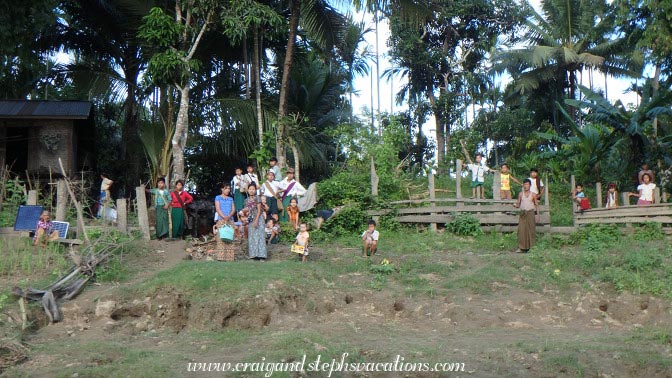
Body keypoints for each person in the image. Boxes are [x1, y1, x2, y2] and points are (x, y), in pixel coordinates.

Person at [513, 179, 540, 253]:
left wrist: (538, 215)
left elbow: (537, 205)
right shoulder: (521, 194)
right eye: (524, 184)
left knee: (531, 230)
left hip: (530, 213)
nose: (526, 186)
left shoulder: (533, 194)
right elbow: (518, 204)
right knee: (521, 230)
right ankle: (521, 247)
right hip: (523, 213)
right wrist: (515, 205)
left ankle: (532, 248)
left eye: (527, 184)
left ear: (530, 185)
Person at [245, 183, 267, 259]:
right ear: (247, 190)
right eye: (250, 189)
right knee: (252, 236)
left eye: (253, 189)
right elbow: (247, 210)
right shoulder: (246, 200)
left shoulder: (257, 198)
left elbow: (259, 210)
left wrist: (256, 220)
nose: (251, 191)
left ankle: (262, 256)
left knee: (260, 236)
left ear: (255, 190)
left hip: (259, 218)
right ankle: (254, 255)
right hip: (251, 219)